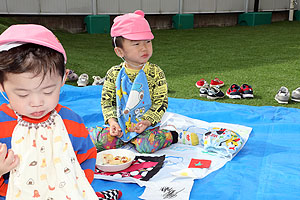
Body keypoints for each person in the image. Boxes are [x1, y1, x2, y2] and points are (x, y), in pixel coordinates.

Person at [0, 24, 122, 200]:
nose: (37, 103)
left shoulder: (70, 121)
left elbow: (86, 157)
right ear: (2, 85)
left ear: (63, 79)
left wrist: (79, 188)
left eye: (48, 91)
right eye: (23, 94)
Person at [89, 10, 199, 153]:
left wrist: (147, 122)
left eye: (148, 41)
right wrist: (112, 122)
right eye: (136, 44)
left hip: (146, 127)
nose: (144, 47)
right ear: (119, 52)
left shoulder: (155, 73)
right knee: (97, 139)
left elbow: (161, 102)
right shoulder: (113, 74)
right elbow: (107, 102)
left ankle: (172, 135)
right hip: (122, 126)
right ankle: (120, 137)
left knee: (145, 145)